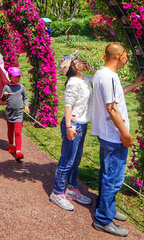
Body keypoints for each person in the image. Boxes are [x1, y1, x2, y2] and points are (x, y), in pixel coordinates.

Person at [91, 44, 144, 237]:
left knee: (106, 173)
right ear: (119, 56)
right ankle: (103, 219)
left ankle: (107, 208)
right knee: (113, 179)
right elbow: (112, 108)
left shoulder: (102, 74)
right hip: (114, 137)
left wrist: (136, 84)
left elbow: (116, 95)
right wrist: (125, 134)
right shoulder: (110, 77)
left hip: (106, 134)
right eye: (126, 55)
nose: (127, 58)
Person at [50, 51, 96, 211]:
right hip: (74, 124)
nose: (81, 60)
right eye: (77, 60)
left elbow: (99, 79)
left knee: (76, 160)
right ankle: (57, 192)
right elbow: (68, 106)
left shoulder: (84, 80)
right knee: (67, 160)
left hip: (82, 124)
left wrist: (89, 67)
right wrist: (69, 127)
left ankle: (71, 188)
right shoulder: (73, 83)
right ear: (74, 66)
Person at [0, 66, 29, 161]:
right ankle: (11, 145)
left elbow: (25, 97)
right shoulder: (7, 87)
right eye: (15, 77)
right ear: (10, 77)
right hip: (9, 113)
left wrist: (26, 106)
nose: (17, 78)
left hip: (19, 113)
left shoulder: (21, 87)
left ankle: (18, 151)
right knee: (10, 130)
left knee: (17, 132)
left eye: (18, 77)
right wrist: (4, 95)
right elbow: (2, 99)